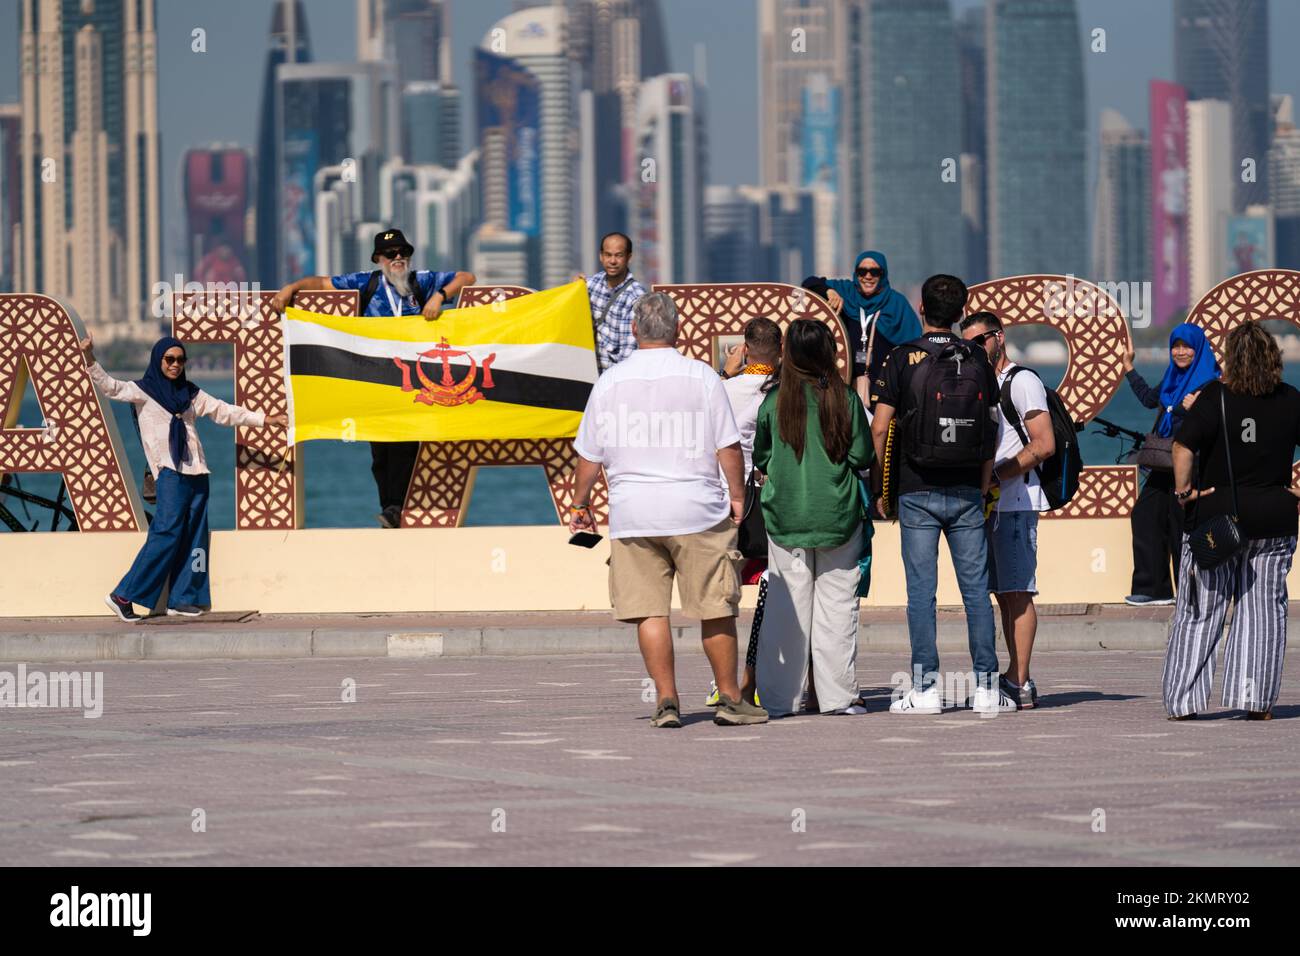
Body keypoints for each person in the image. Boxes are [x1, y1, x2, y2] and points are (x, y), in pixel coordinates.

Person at [568, 293, 769, 729]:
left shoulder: (610, 382)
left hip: (634, 513)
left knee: (649, 611)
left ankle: (666, 700)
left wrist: (580, 503)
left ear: (635, 330)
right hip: (697, 508)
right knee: (715, 608)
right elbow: (728, 446)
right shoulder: (701, 377)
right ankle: (731, 699)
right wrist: (737, 496)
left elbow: (589, 456)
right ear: (677, 330)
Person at [870, 274, 1014, 715]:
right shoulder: (977, 357)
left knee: (921, 593)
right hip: (969, 489)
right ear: (960, 312)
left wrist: (882, 485)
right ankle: (988, 688)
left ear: (921, 308)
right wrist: (986, 479)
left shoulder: (901, 358)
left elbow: (879, 427)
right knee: (975, 592)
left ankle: (925, 689)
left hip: (916, 489)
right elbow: (992, 429)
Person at [270, 228, 476, 529]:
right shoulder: (366, 282)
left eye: (403, 253)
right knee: (380, 448)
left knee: (406, 444)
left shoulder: (423, 281)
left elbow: (467, 277)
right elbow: (321, 283)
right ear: (378, 258)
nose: (398, 258)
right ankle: (390, 507)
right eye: (391, 254)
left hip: (414, 378)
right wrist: (291, 287)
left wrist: (440, 297)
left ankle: (399, 508)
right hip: (376, 378)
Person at [82, 335, 286, 622]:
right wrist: (90, 357)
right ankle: (123, 595)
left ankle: (183, 598)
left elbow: (224, 411)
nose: (175, 365)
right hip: (169, 473)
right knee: (166, 533)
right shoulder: (144, 391)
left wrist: (266, 420)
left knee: (195, 536)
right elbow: (110, 388)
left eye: (180, 360)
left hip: (197, 471)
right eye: (169, 359)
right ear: (158, 360)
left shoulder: (190, 394)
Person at [1164, 320, 1300, 720]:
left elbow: (1182, 448)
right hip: (1275, 518)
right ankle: (1254, 700)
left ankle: (1185, 701)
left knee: (1200, 609)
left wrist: (1185, 492)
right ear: (1274, 358)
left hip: (1216, 519)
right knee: (1263, 612)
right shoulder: (1291, 399)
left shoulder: (1214, 398)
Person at [752, 319, 874, 717]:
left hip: (785, 517)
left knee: (786, 612)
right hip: (838, 516)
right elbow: (861, 457)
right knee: (837, 609)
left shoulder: (774, 401)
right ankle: (839, 698)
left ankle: (778, 699)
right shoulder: (844, 399)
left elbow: (762, 457)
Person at [960, 311, 1056, 709]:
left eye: (979, 341)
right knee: (1003, 593)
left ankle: (1021, 680)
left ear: (999, 337)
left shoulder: (1023, 382)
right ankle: (1015, 677)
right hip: (994, 504)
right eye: (967, 344)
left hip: (1016, 503)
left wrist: (997, 476)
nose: (974, 350)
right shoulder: (986, 381)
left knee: (1018, 591)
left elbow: (1043, 444)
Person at [706, 317, 782, 708]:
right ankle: (753, 677)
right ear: (780, 351)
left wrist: (725, 371)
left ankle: (723, 681)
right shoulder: (783, 392)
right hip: (769, 504)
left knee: (723, 596)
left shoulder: (723, 390)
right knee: (770, 584)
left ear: (746, 348)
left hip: (723, 502)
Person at [1121, 324, 1219, 605]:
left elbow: (1220, 423)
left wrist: (1197, 409)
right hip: (1164, 462)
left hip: (1193, 465)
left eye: (1186, 346)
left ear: (1198, 348)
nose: (1180, 352)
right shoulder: (1172, 378)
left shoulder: (1211, 384)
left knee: (1181, 523)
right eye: (1175, 346)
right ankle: (1152, 589)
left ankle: (1190, 590)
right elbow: (1150, 400)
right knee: (1144, 514)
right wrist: (1129, 367)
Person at [802, 250, 921, 404]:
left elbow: (914, 346)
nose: (868, 277)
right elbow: (809, 283)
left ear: (883, 274)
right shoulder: (845, 292)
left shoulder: (897, 303)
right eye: (862, 271)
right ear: (856, 274)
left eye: (875, 272)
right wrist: (829, 291)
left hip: (884, 390)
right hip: (844, 387)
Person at [578, 232, 648, 372]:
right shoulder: (590, 284)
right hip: (586, 373)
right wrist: (574, 291)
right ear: (601, 257)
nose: (613, 261)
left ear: (629, 257)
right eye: (608, 255)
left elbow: (628, 353)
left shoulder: (636, 296)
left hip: (613, 377)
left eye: (619, 255)